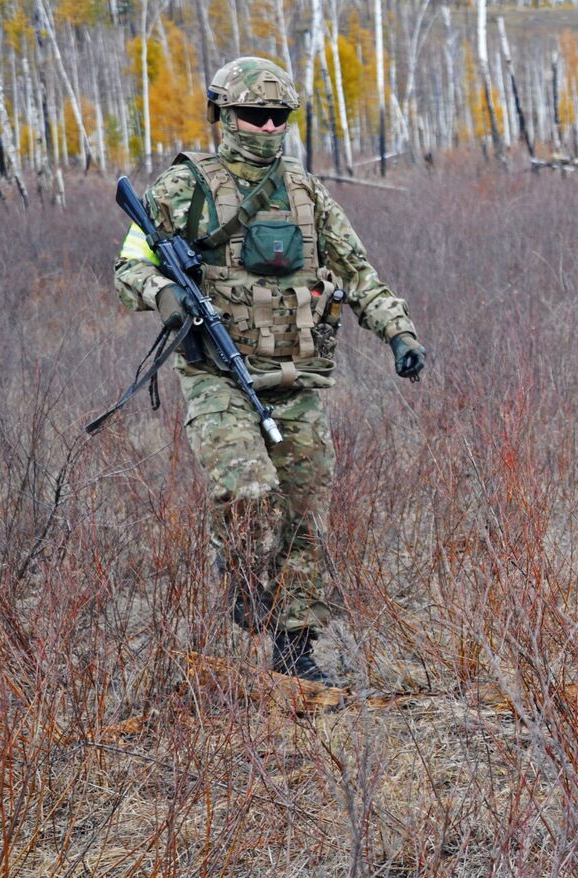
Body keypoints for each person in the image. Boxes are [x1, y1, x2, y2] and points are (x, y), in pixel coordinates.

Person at [114, 57, 425, 685]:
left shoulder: (308, 195)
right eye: (252, 114)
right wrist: (164, 297)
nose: (265, 125)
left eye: (277, 115)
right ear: (223, 115)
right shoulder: (185, 187)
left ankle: (295, 650)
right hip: (218, 375)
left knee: (304, 512)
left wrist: (398, 333)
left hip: (299, 379)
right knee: (250, 493)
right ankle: (242, 580)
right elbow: (129, 267)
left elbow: (359, 274)